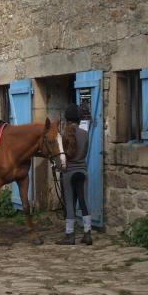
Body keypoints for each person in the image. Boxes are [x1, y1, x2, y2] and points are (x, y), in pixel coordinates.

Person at [56, 103, 92, 245]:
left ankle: (70, 235)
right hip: (82, 171)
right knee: (84, 202)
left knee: (70, 203)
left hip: (68, 173)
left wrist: (59, 167)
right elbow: (85, 153)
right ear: (78, 118)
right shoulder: (85, 134)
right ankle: (88, 234)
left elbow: (62, 157)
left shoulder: (63, 135)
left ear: (67, 119)